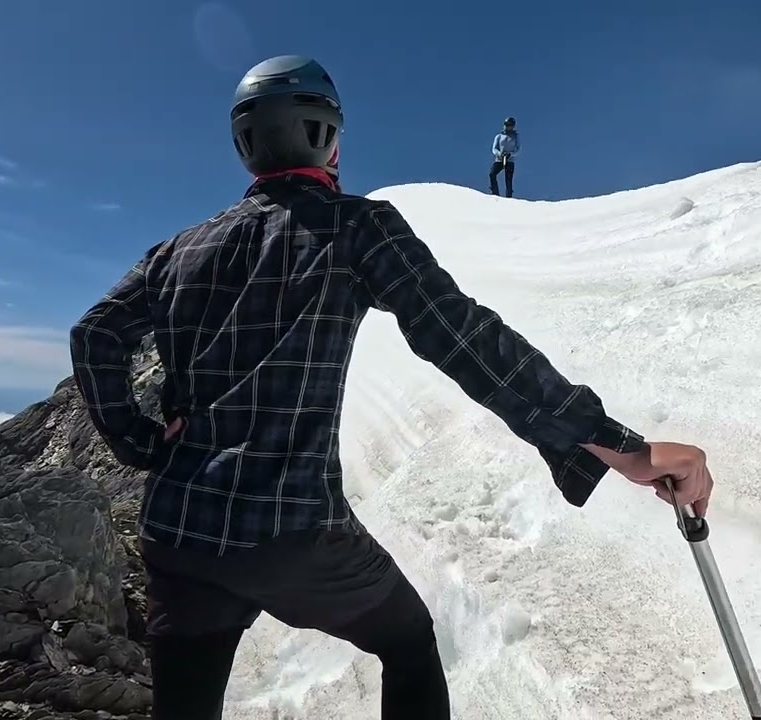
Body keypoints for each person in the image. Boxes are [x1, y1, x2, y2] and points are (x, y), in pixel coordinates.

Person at [69, 54, 714, 720]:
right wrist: (611, 443)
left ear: (246, 146)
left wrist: (142, 444)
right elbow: (461, 335)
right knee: (407, 642)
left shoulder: (177, 252)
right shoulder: (357, 226)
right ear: (329, 137)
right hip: (294, 532)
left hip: (179, 531)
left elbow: (95, 334)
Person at [490, 116, 519, 197]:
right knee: (492, 174)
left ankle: (509, 196)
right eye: (506, 125)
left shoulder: (515, 136)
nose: (507, 127)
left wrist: (511, 154)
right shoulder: (499, 136)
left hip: (510, 160)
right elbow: (494, 149)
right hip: (499, 159)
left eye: (510, 125)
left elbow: (518, 149)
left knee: (508, 179)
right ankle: (495, 192)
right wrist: (499, 154)